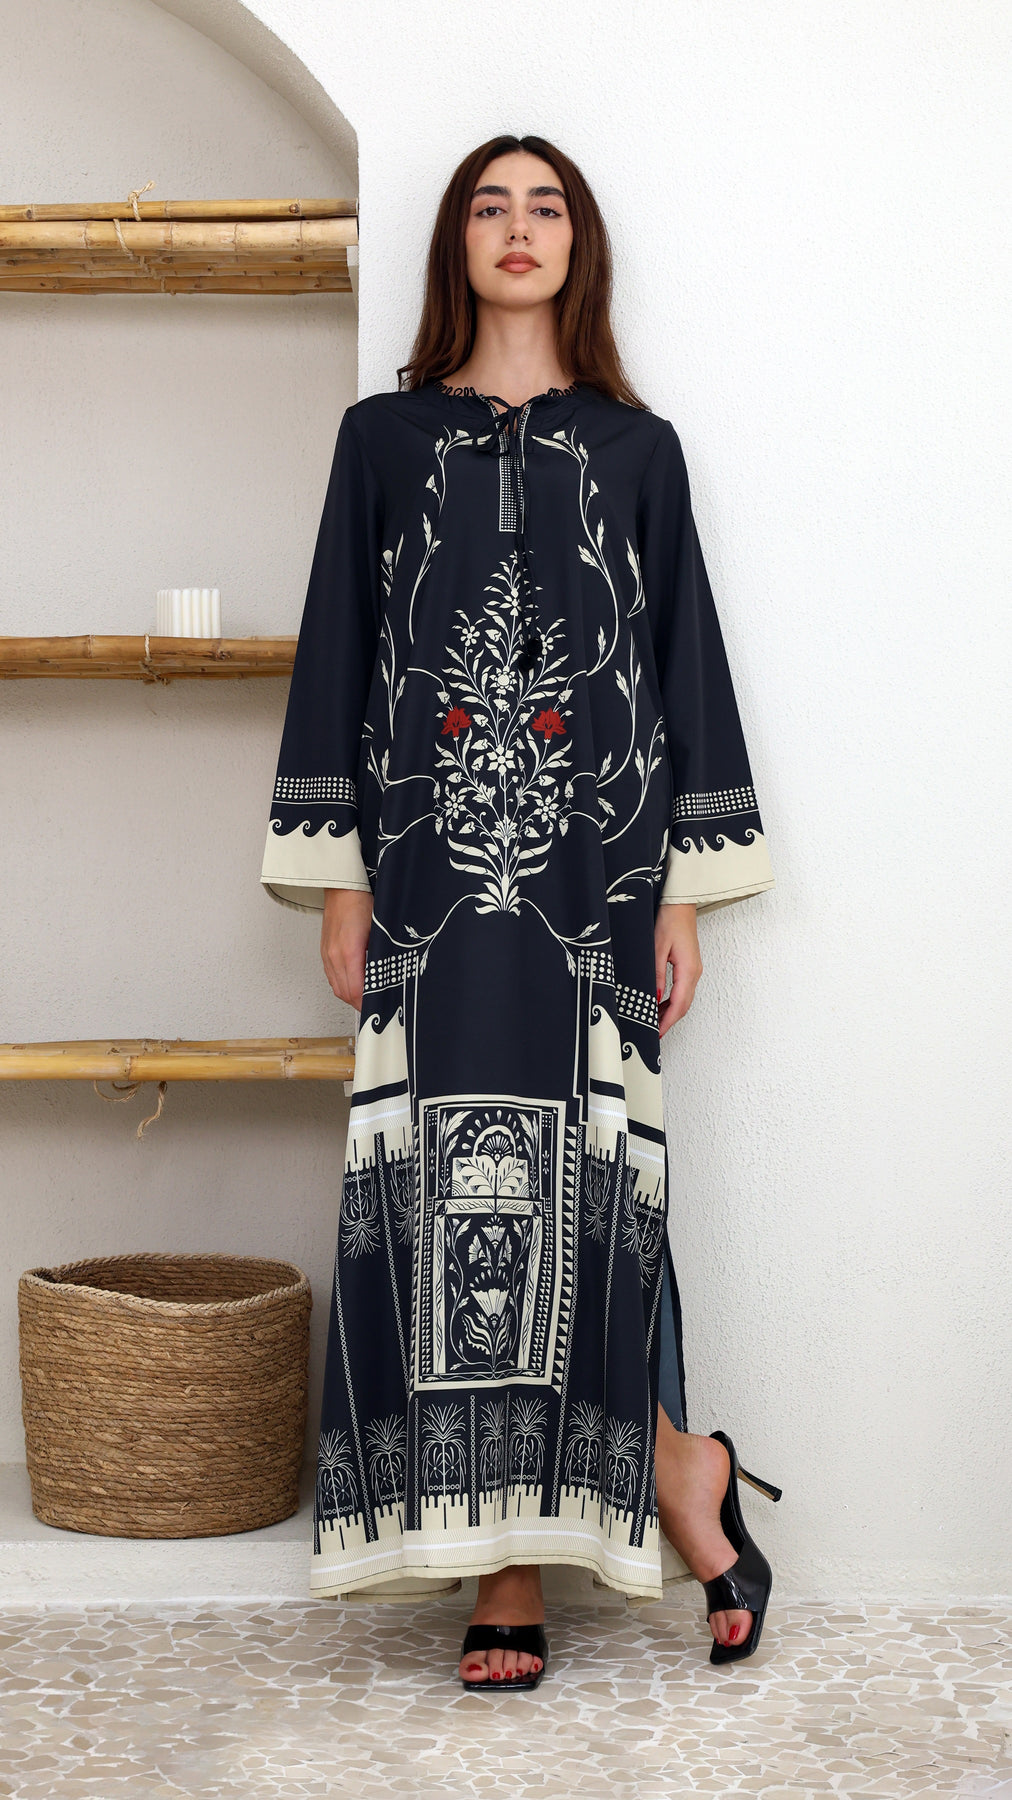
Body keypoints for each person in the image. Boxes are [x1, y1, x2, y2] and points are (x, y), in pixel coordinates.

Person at [260, 133, 780, 1691]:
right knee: (446, 1200)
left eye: (545, 206)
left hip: (595, 892)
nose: (517, 227)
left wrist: (685, 894)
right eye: (489, 205)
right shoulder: (383, 440)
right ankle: (526, 1555)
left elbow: (683, 665)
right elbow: (338, 652)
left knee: (594, 1198)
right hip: (429, 892)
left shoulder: (637, 451)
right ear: (457, 245)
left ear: (578, 246)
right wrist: (341, 871)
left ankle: (660, 1479)